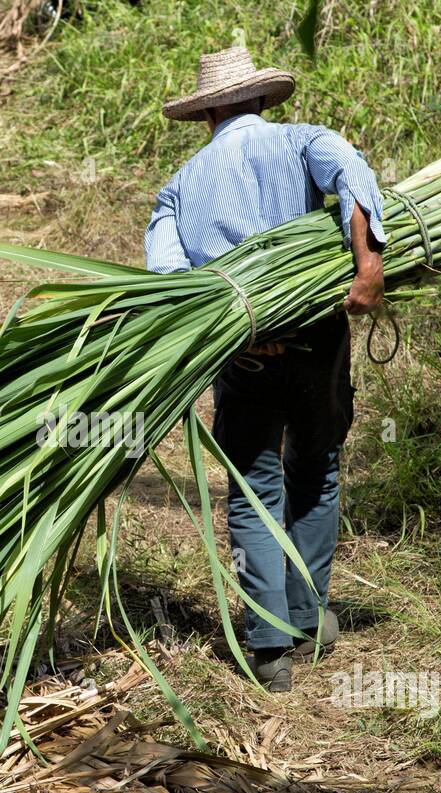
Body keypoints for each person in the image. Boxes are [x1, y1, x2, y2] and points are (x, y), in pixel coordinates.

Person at [144, 46, 386, 692]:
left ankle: (269, 646)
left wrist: (227, 337)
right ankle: (308, 619)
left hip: (242, 353)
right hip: (315, 340)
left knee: (253, 485)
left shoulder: (180, 187)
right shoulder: (303, 141)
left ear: (209, 115)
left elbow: (169, 284)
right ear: (256, 100)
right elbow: (353, 182)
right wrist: (368, 269)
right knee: (317, 463)